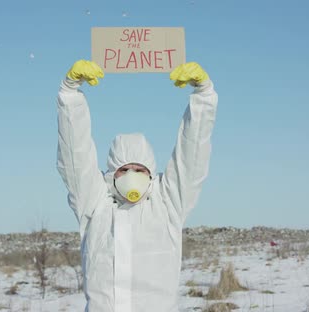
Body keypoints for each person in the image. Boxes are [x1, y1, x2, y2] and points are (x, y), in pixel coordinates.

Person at [56, 59, 218, 311]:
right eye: (124, 169)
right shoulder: (95, 201)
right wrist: (70, 94)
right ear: (112, 173)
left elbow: (192, 156)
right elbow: (74, 155)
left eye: (140, 170)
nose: (133, 176)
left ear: (151, 174)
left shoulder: (167, 202)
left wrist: (204, 96)